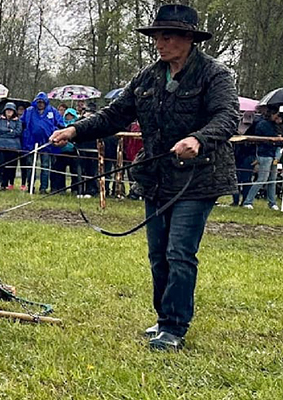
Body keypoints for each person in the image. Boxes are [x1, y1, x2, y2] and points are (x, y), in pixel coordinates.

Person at [51, 4, 239, 350]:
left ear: (188, 39)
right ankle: (162, 318)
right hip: (156, 176)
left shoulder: (214, 74)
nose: (160, 43)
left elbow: (227, 116)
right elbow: (115, 115)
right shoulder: (148, 77)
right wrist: (75, 130)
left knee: (180, 251)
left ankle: (174, 326)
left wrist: (199, 139)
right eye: (157, 36)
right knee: (158, 253)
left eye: (167, 36)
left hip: (198, 178)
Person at [21, 92, 66, 194]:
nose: (40, 104)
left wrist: (53, 131)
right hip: (31, 142)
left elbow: (60, 124)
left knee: (45, 166)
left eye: (42, 102)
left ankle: (43, 188)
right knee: (31, 165)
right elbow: (22, 123)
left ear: (46, 102)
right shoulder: (29, 111)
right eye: (38, 102)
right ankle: (30, 185)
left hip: (47, 143)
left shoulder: (53, 111)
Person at [242, 107, 281, 210]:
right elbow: (269, 137)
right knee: (262, 179)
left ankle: (272, 202)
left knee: (272, 179)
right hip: (264, 154)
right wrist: (277, 137)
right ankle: (248, 201)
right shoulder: (262, 124)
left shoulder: (276, 125)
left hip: (274, 153)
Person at [0, 102, 23, 190]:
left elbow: (18, 132)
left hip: (12, 147)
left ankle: (5, 185)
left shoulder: (18, 121)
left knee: (9, 167)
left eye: (11, 110)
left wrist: (4, 132)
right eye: (7, 110)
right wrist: (9, 130)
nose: (9, 112)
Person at [50, 108, 80, 195]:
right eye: (67, 115)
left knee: (74, 171)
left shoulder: (76, 126)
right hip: (61, 151)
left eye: (71, 115)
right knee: (60, 171)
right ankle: (60, 188)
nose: (69, 117)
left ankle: (75, 189)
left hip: (73, 151)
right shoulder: (61, 124)